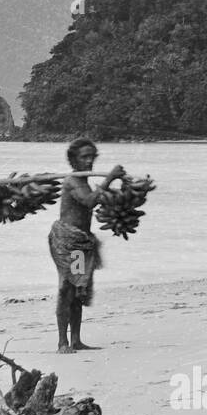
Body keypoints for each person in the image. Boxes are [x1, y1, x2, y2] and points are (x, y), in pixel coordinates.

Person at [49, 138, 126, 353]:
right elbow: (90, 201)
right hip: (68, 242)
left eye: (92, 156)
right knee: (67, 288)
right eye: (84, 157)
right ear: (74, 159)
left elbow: (94, 199)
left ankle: (76, 340)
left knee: (78, 289)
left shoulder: (84, 182)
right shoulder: (73, 181)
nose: (89, 160)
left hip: (81, 242)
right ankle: (62, 342)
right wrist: (110, 179)